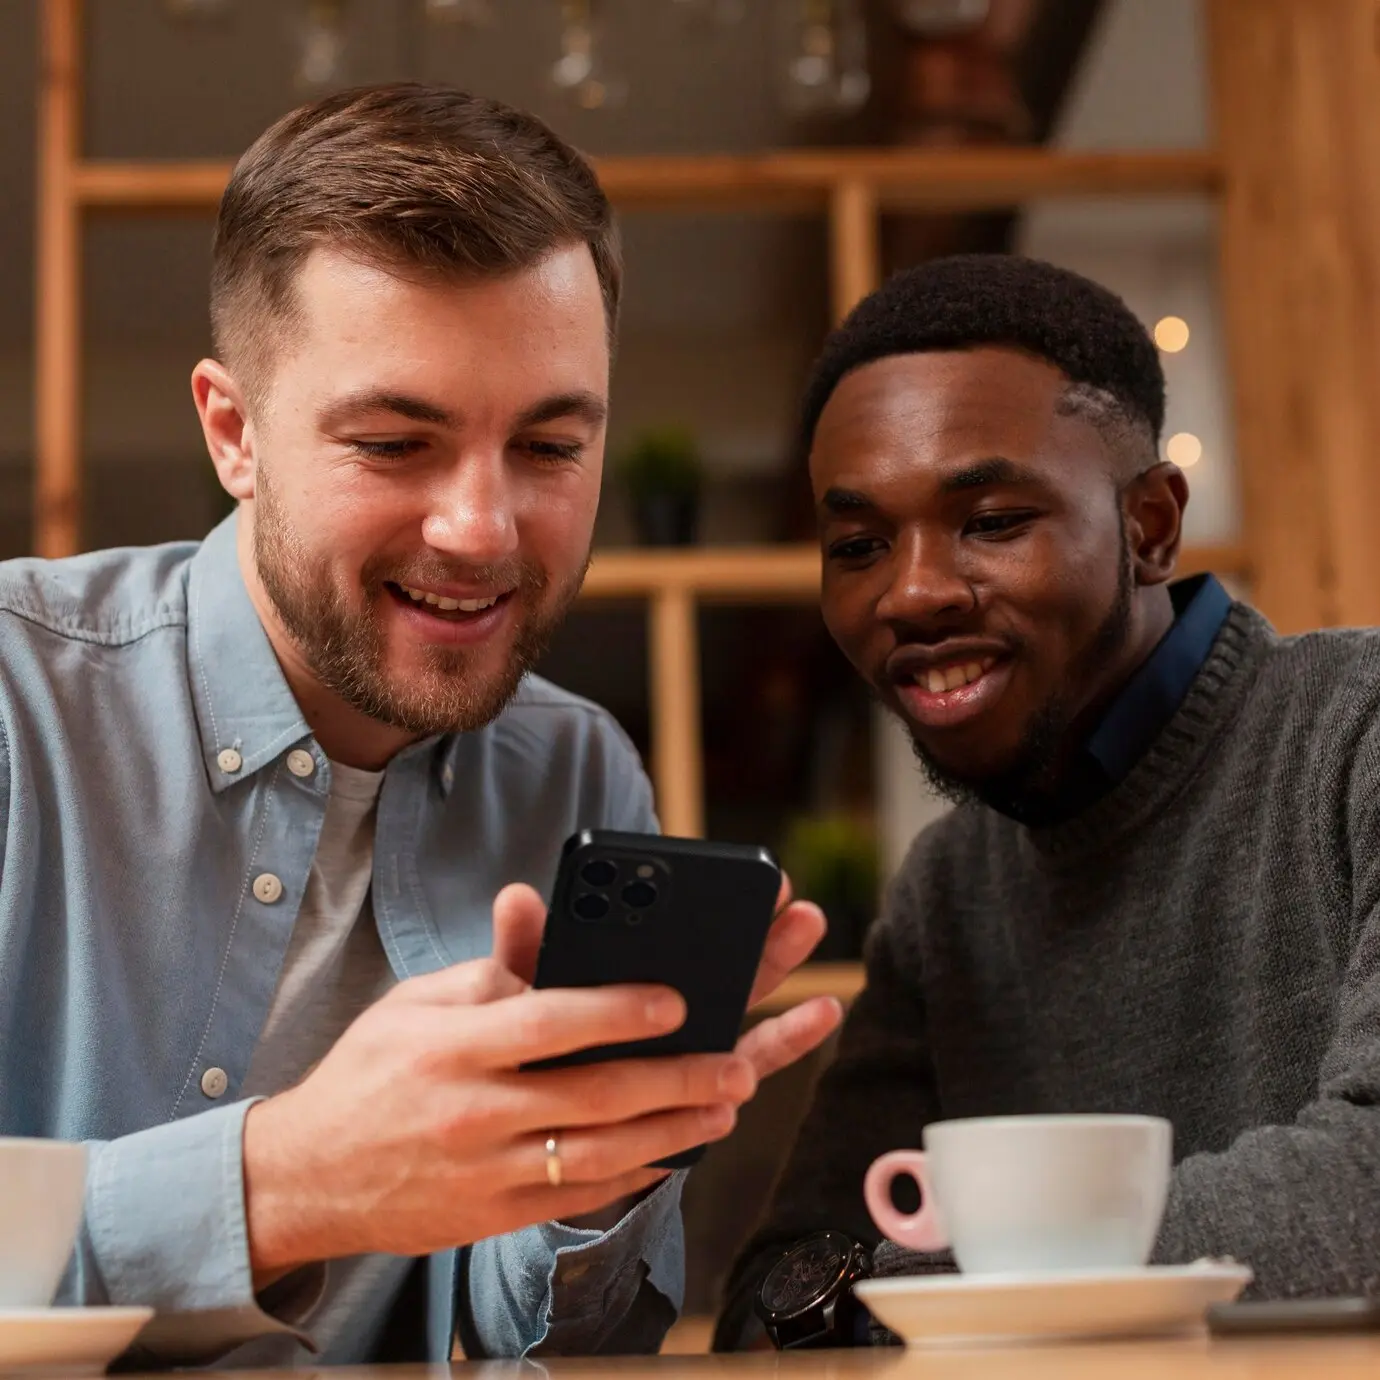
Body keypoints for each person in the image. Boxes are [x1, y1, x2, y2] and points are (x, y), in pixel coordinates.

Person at [0, 83, 843, 1367]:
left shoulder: (577, 770)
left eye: (550, 449)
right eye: (396, 444)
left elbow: (588, 1347)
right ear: (233, 430)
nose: (483, 530)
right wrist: (288, 1179)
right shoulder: (19, 697)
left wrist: (601, 1171)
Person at [716, 253, 1380, 1350]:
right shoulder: (952, 891)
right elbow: (772, 1305)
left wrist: (939, 1278)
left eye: (989, 520)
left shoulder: (1355, 733)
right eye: (858, 545)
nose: (913, 591)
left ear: (1151, 527)